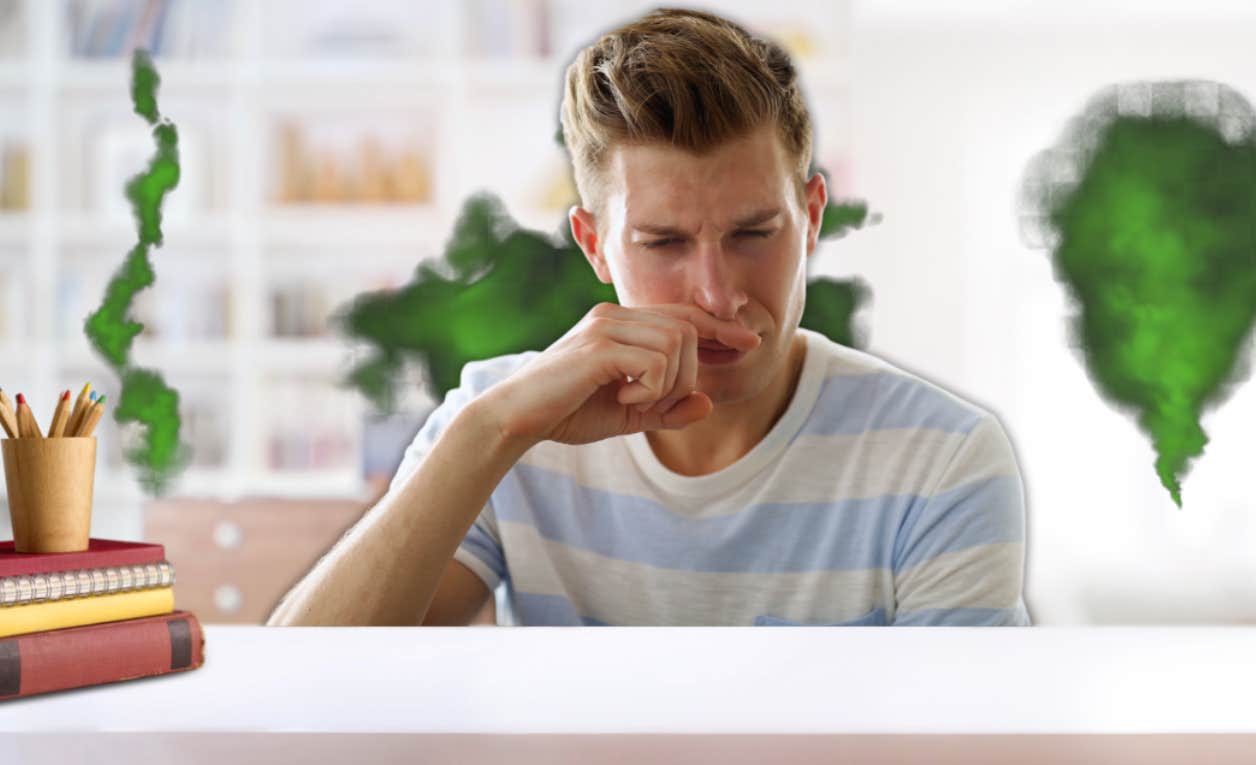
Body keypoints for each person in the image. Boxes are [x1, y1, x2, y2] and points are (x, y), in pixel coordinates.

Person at [268, 8, 1031, 628]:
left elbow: (965, 739)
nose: (717, 294)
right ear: (595, 246)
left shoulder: (943, 460)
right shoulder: (503, 428)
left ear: (812, 218)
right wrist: (490, 433)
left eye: (754, 234)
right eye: (664, 242)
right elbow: (301, 688)